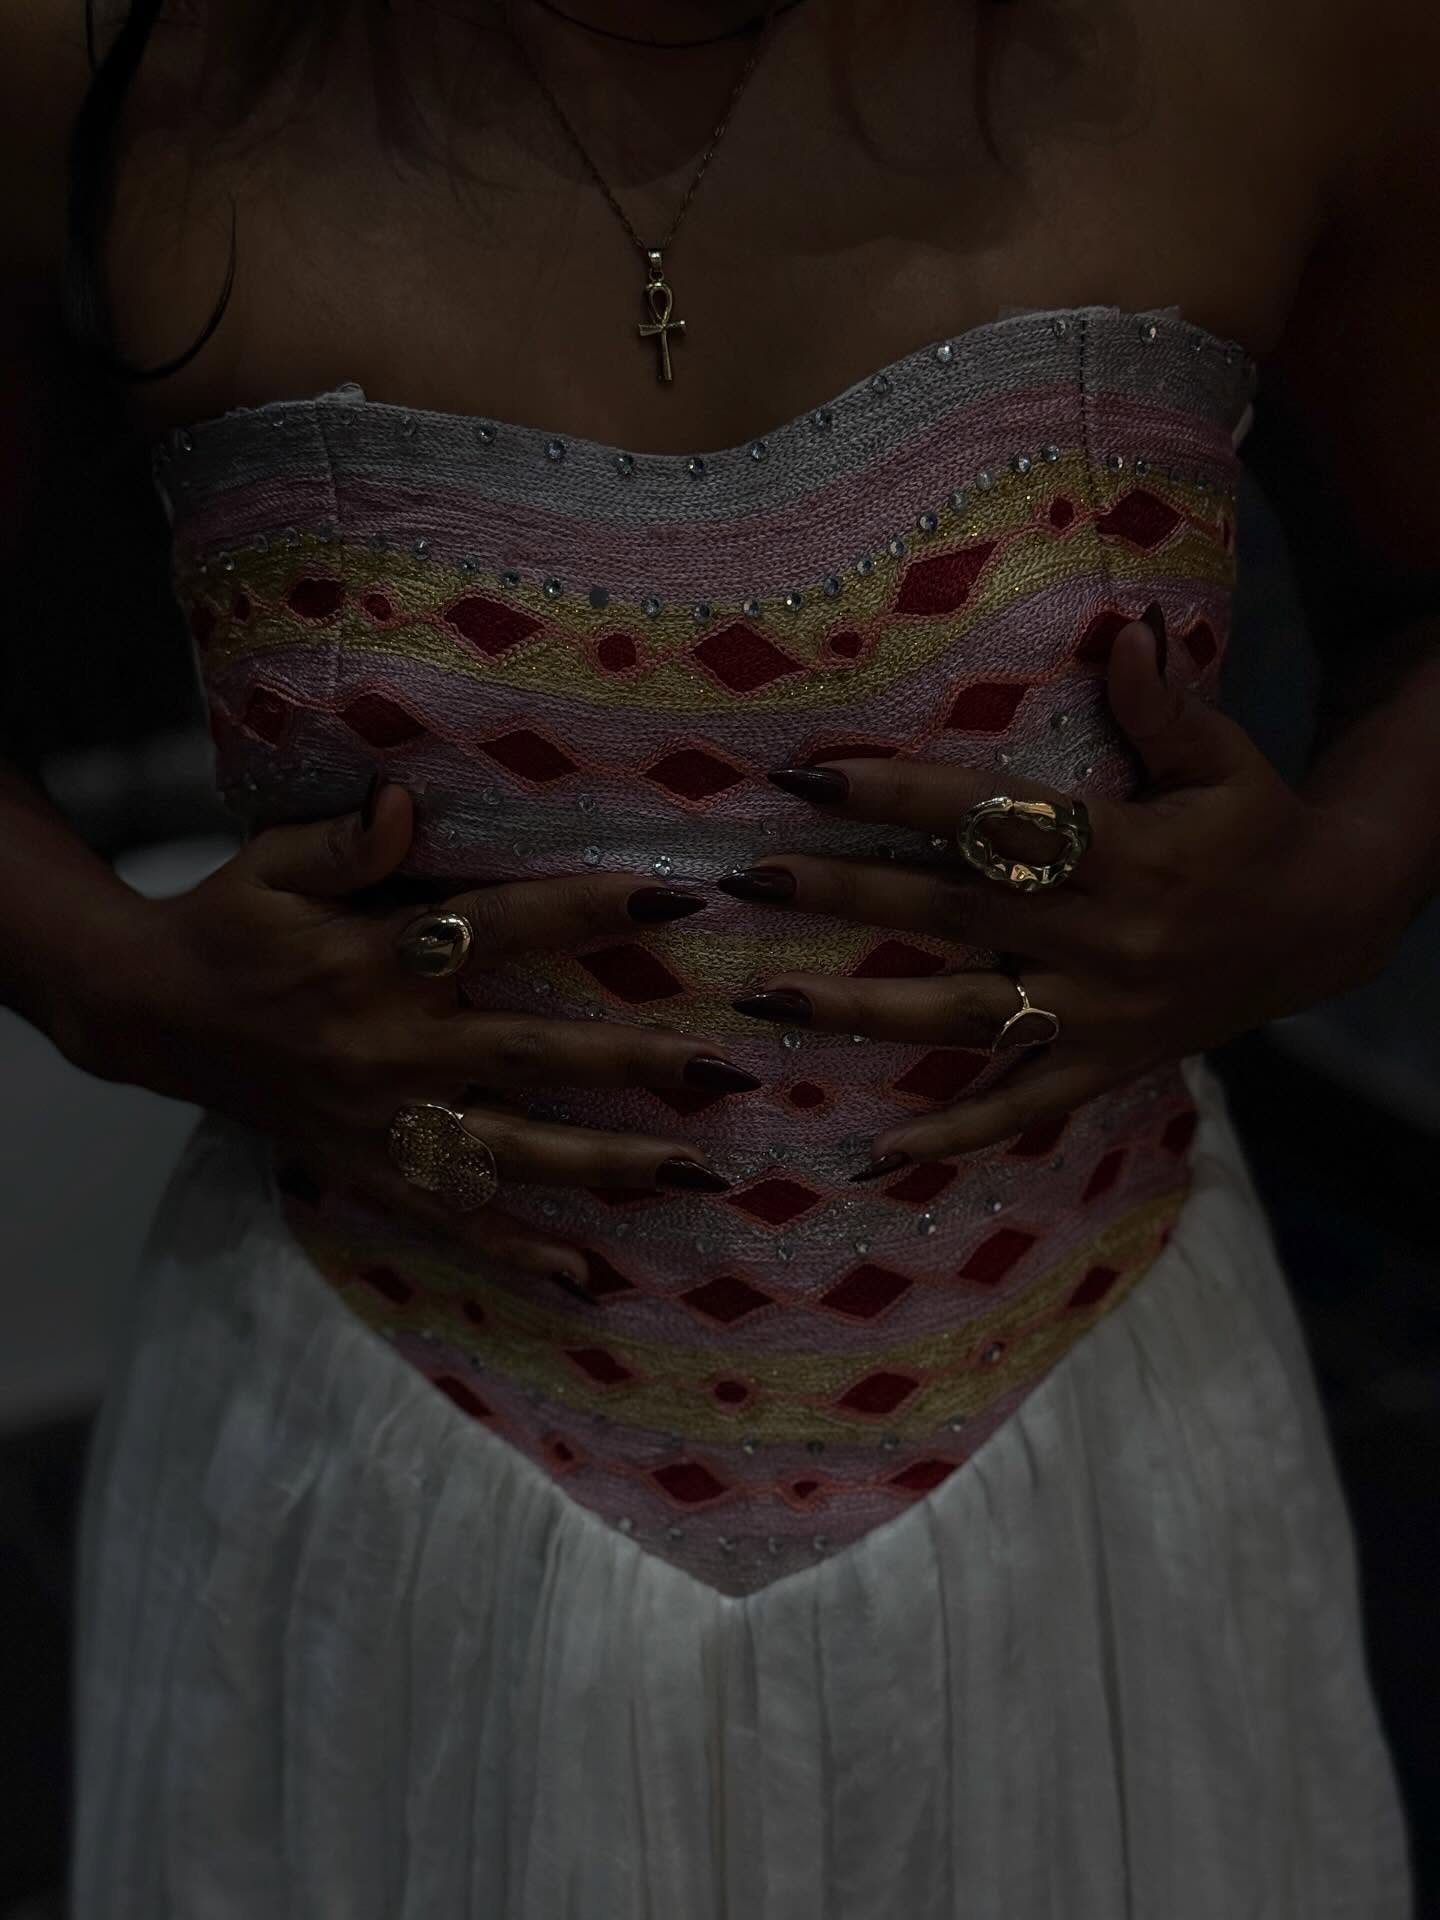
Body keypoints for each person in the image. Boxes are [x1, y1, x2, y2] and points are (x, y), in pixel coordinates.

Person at [2, 0, 1435, 1910]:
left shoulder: (1282, 37)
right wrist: (104, 981)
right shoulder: (103, 56)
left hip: (1084, 1474)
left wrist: (1329, 896)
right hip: (399, 1494)